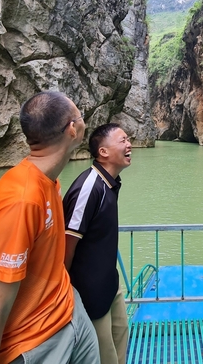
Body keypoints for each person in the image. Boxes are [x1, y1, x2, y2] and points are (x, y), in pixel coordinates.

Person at [0, 91, 99, 364]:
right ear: (72, 129)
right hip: (33, 342)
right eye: (80, 116)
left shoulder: (49, 181)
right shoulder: (20, 202)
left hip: (68, 311)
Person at [63, 123, 132, 364]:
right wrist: (65, 292)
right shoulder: (89, 187)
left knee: (121, 337)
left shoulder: (110, 183)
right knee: (104, 357)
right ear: (103, 152)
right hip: (88, 294)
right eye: (122, 140)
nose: (129, 144)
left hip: (109, 285)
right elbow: (66, 244)